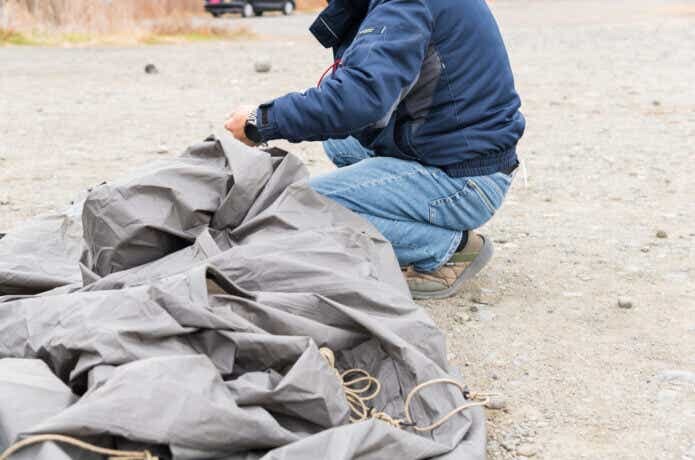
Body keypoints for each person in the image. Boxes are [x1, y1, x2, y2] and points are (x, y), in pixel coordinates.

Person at [225, 0, 525, 300]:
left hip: (466, 176)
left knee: (305, 208)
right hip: (458, 148)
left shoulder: (408, 5)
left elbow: (357, 98)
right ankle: (397, 209)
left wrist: (261, 121)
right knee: (340, 144)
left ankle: (447, 248)